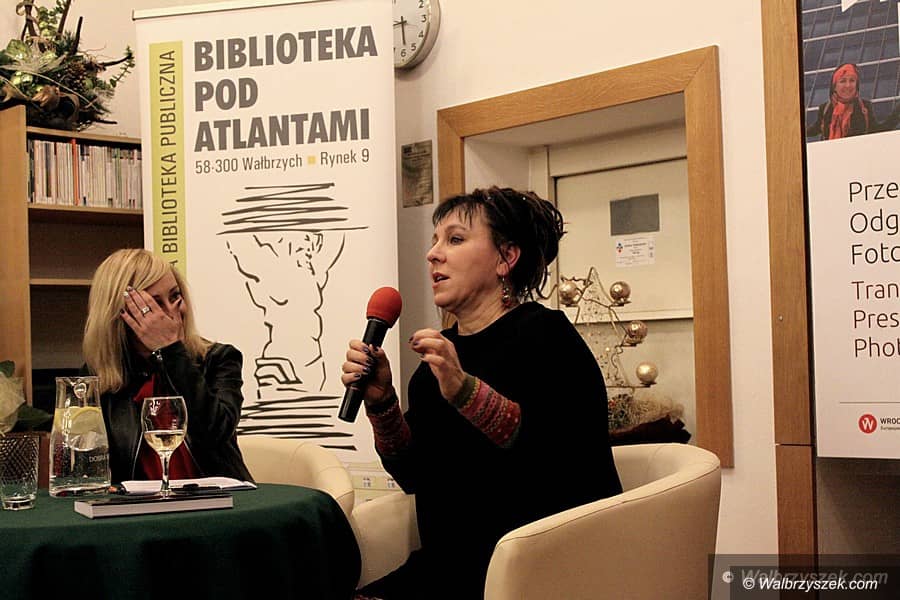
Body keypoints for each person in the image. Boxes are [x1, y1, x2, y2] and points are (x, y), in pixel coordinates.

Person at [344, 187, 622, 599]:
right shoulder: (436, 362)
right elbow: (414, 475)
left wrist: (464, 390)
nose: (433, 254)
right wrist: (382, 402)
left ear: (506, 258)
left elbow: (549, 461)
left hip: (542, 571)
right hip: (448, 568)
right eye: (435, 241)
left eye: (455, 239)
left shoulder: (547, 338)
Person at [83, 248, 252, 484]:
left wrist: (172, 352)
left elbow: (215, 431)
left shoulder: (219, 359)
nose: (173, 312)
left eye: (175, 297)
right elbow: (88, 464)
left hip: (219, 498)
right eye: (155, 304)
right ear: (121, 314)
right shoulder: (97, 376)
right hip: (134, 504)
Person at [807, 62, 900, 141]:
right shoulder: (825, 109)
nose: (848, 85)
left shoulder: (864, 107)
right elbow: (814, 130)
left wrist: (897, 113)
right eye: (843, 81)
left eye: (852, 80)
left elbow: (877, 131)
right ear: (834, 86)